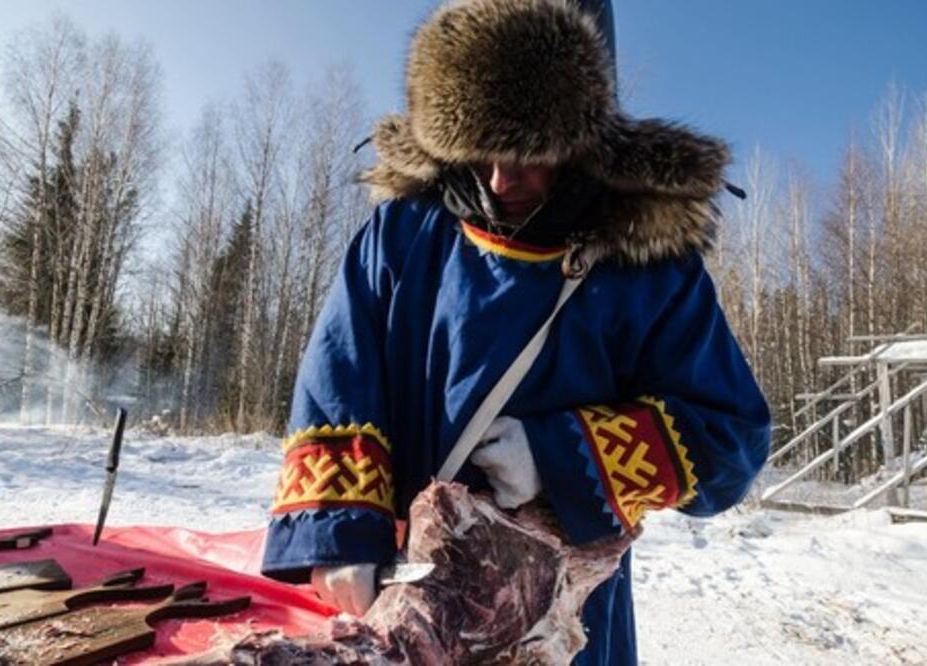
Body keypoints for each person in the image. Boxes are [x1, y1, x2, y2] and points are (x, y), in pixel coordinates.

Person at [261, 0, 771, 663]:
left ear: (584, 140)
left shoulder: (648, 266)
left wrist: (560, 456)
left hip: (561, 628)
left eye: (532, 151)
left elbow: (730, 440)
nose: (502, 179)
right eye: (482, 147)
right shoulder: (402, 236)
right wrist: (337, 532)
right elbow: (339, 384)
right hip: (405, 609)